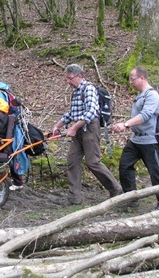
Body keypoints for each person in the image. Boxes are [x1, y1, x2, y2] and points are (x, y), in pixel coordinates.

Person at [51, 64, 122, 206]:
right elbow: (72, 112)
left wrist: (74, 128)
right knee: (72, 160)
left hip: (89, 128)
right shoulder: (76, 92)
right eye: (67, 79)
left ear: (79, 77)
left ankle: (116, 190)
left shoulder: (88, 89)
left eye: (70, 78)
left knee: (93, 162)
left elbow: (91, 112)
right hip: (78, 129)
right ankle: (74, 196)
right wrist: (58, 125)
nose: (68, 82)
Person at [112, 66, 159, 210]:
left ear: (142, 78)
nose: (130, 82)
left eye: (132, 79)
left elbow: (145, 115)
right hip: (136, 140)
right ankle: (131, 200)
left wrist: (125, 124)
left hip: (149, 140)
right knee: (125, 166)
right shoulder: (140, 95)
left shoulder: (151, 95)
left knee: (155, 171)